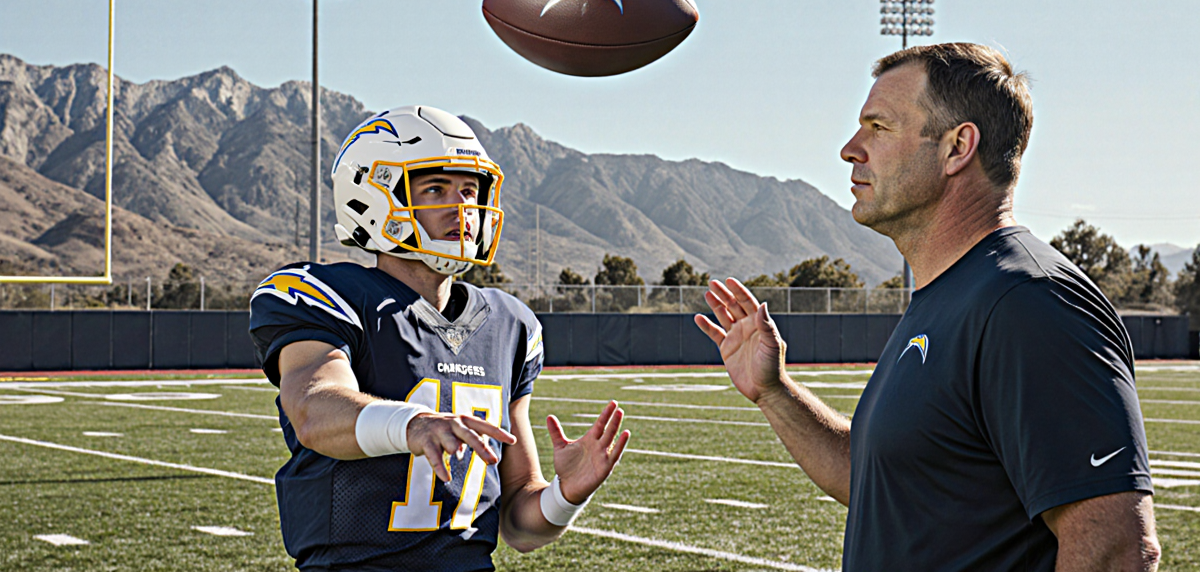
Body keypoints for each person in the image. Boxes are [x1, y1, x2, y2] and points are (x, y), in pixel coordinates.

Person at [696, 43, 1160, 571]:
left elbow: (1116, 549)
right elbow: (884, 480)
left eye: (879, 127)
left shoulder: (1028, 300)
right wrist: (775, 393)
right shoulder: (947, 295)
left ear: (957, 147)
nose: (851, 148)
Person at [250, 105, 630, 571]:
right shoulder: (330, 295)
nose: (464, 209)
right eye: (436, 188)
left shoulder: (510, 324)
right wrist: (414, 425)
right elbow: (313, 409)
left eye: (470, 191)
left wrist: (565, 495)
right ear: (372, 195)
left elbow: (519, 525)